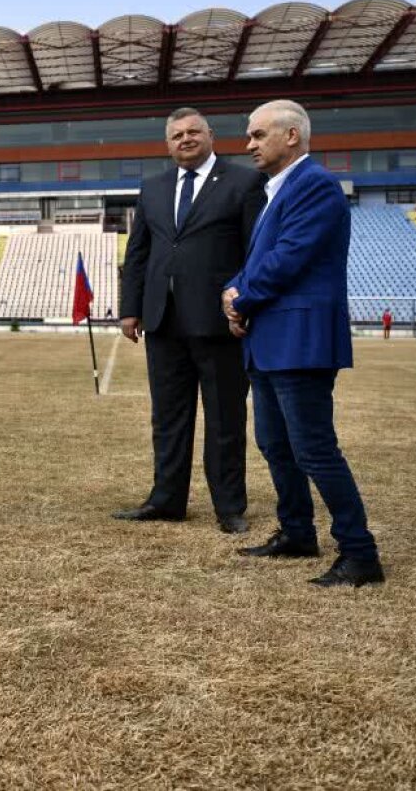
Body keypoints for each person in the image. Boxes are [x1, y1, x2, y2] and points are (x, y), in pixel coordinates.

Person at [223, 99, 384, 588]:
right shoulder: (280, 190)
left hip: (300, 339)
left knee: (314, 448)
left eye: (257, 134)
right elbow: (259, 261)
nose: (248, 144)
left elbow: (289, 259)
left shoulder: (314, 185)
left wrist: (243, 298)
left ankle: (359, 553)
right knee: (275, 444)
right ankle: (297, 532)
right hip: (272, 338)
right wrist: (233, 294)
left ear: (290, 135)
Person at [115, 107, 265, 534]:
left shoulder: (244, 182)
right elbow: (139, 252)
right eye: (177, 134)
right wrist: (131, 308)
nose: (185, 139)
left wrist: (245, 303)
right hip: (162, 322)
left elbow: (254, 250)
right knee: (168, 418)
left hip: (220, 323)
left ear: (210, 135)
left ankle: (229, 507)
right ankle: (166, 500)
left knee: (225, 418)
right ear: (168, 143)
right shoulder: (153, 188)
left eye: (193, 131)